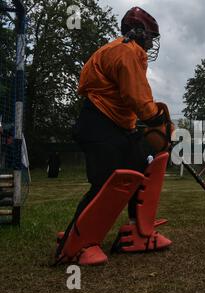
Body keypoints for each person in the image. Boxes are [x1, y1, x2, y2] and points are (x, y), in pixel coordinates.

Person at [57, 7, 173, 264]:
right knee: (104, 185)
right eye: (150, 36)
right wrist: (157, 119)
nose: (152, 42)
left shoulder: (124, 51)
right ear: (139, 32)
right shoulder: (126, 51)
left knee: (142, 169)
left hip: (117, 125)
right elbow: (138, 98)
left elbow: (129, 100)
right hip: (99, 124)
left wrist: (152, 118)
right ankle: (76, 244)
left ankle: (137, 232)